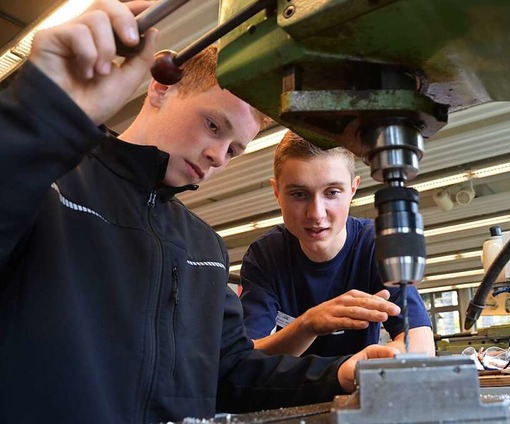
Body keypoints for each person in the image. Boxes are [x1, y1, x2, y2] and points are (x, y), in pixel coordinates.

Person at [0, 1, 397, 422]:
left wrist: (339, 371)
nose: (217, 156)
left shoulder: (204, 248)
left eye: (233, 149)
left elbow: (232, 373)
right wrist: (42, 116)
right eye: (213, 126)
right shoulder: (50, 187)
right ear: (160, 87)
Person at [240, 131, 436, 357]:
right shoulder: (265, 255)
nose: (316, 214)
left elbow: (420, 345)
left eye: (332, 192)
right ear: (277, 192)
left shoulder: (374, 244)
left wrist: (357, 368)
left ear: (353, 189)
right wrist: (307, 325)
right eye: (299, 194)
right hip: (290, 391)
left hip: (358, 385)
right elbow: (248, 356)